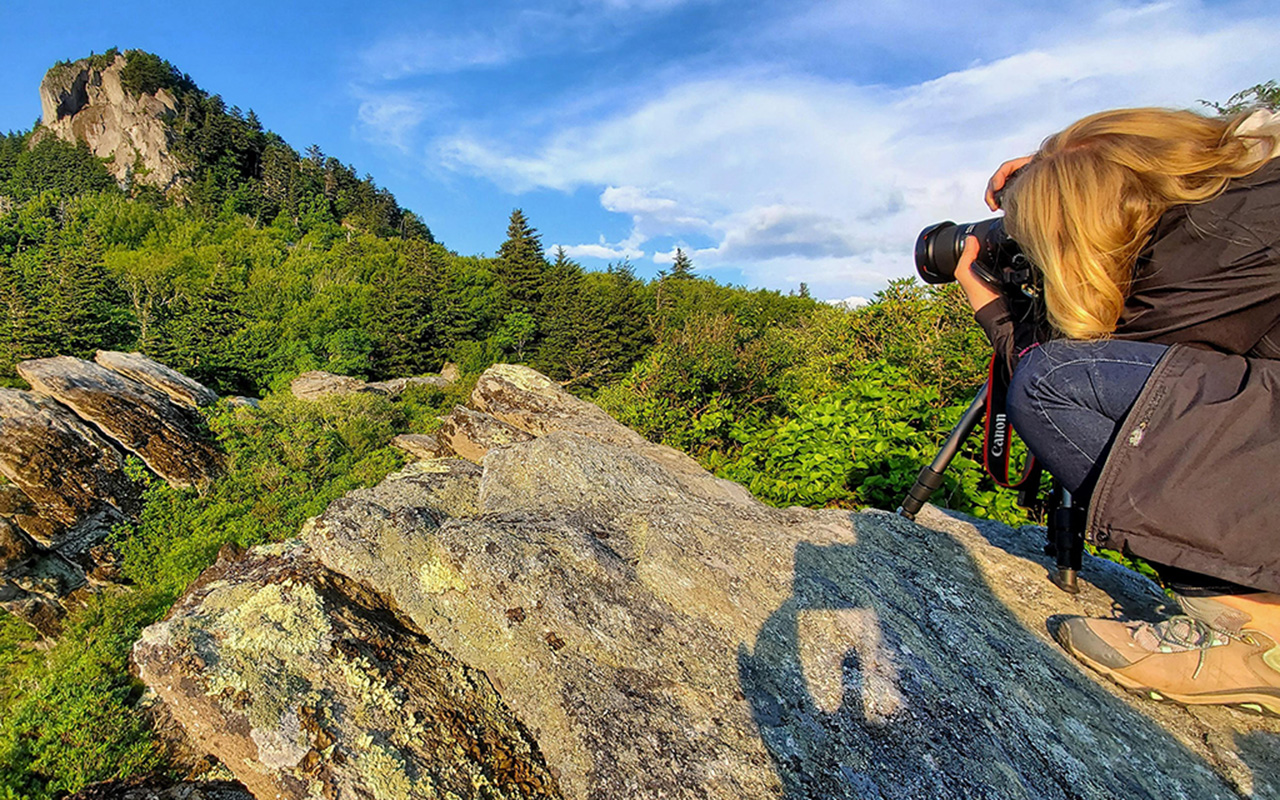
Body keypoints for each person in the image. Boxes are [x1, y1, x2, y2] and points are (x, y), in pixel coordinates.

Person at [953, 106, 1280, 716]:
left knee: (1057, 381)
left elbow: (1086, 363)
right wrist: (1072, 171)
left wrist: (992, 305)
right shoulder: (1249, 187)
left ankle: (1257, 634)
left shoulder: (1214, 246)